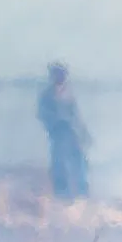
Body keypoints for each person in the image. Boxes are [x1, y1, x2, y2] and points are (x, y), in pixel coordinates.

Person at [36, 62, 92, 199]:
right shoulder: (47, 95)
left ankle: (82, 191)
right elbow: (42, 114)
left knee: (79, 161)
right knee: (59, 163)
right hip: (58, 133)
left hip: (72, 133)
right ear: (53, 76)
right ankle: (61, 194)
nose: (61, 77)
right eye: (58, 74)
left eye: (63, 74)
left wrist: (84, 132)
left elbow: (76, 115)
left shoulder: (68, 93)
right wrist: (54, 123)